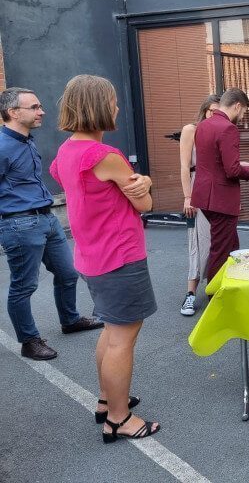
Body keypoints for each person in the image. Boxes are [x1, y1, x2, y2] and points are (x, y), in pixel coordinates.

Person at [50, 75, 160, 441]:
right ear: (98, 106)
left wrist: (138, 182)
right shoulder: (105, 156)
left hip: (91, 255)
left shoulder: (67, 150)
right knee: (122, 338)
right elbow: (143, 203)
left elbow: (72, 183)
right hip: (119, 256)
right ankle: (119, 417)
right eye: (112, 101)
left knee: (113, 331)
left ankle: (106, 400)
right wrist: (144, 184)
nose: (116, 107)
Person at [0, 87, 104, 361]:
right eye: (34, 107)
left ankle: (70, 320)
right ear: (13, 112)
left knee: (68, 273)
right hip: (20, 224)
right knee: (24, 286)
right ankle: (29, 340)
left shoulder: (26, 141)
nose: (41, 111)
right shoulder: (1, 146)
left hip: (46, 218)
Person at [192, 88, 249, 282]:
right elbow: (231, 170)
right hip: (221, 198)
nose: (242, 116)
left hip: (204, 195)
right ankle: (215, 294)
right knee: (222, 249)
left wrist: (241, 165)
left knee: (229, 243)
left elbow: (214, 162)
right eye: (244, 112)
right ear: (237, 105)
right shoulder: (228, 128)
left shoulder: (203, 125)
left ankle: (229, 288)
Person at [178, 94, 220, 317]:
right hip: (196, 188)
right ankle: (190, 294)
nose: (214, 114)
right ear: (204, 111)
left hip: (216, 190)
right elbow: (185, 167)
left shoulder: (218, 132)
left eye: (218, 111)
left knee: (217, 241)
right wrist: (188, 197)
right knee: (197, 240)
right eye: (211, 110)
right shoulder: (190, 130)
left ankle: (214, 289)